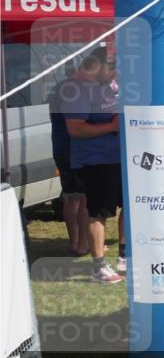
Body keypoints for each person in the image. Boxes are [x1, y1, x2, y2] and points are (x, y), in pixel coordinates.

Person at [63, 50, 124, 284]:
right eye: (111, 67)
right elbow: (75, 128)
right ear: (96, 65)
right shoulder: (76, 90)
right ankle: (98, 266)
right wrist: (111, 127)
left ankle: (124, 255)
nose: (115, 72)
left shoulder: (111, 85)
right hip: (94, 160)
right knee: (99, 211)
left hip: (118, 157)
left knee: (127, 206)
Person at [48, 64, 90, 257]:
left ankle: (74, 243)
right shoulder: (77, 91)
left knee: (70, 197)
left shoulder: (57, 90)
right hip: (76, 148)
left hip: (60, 147)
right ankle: (83, 244)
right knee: (83, 199)